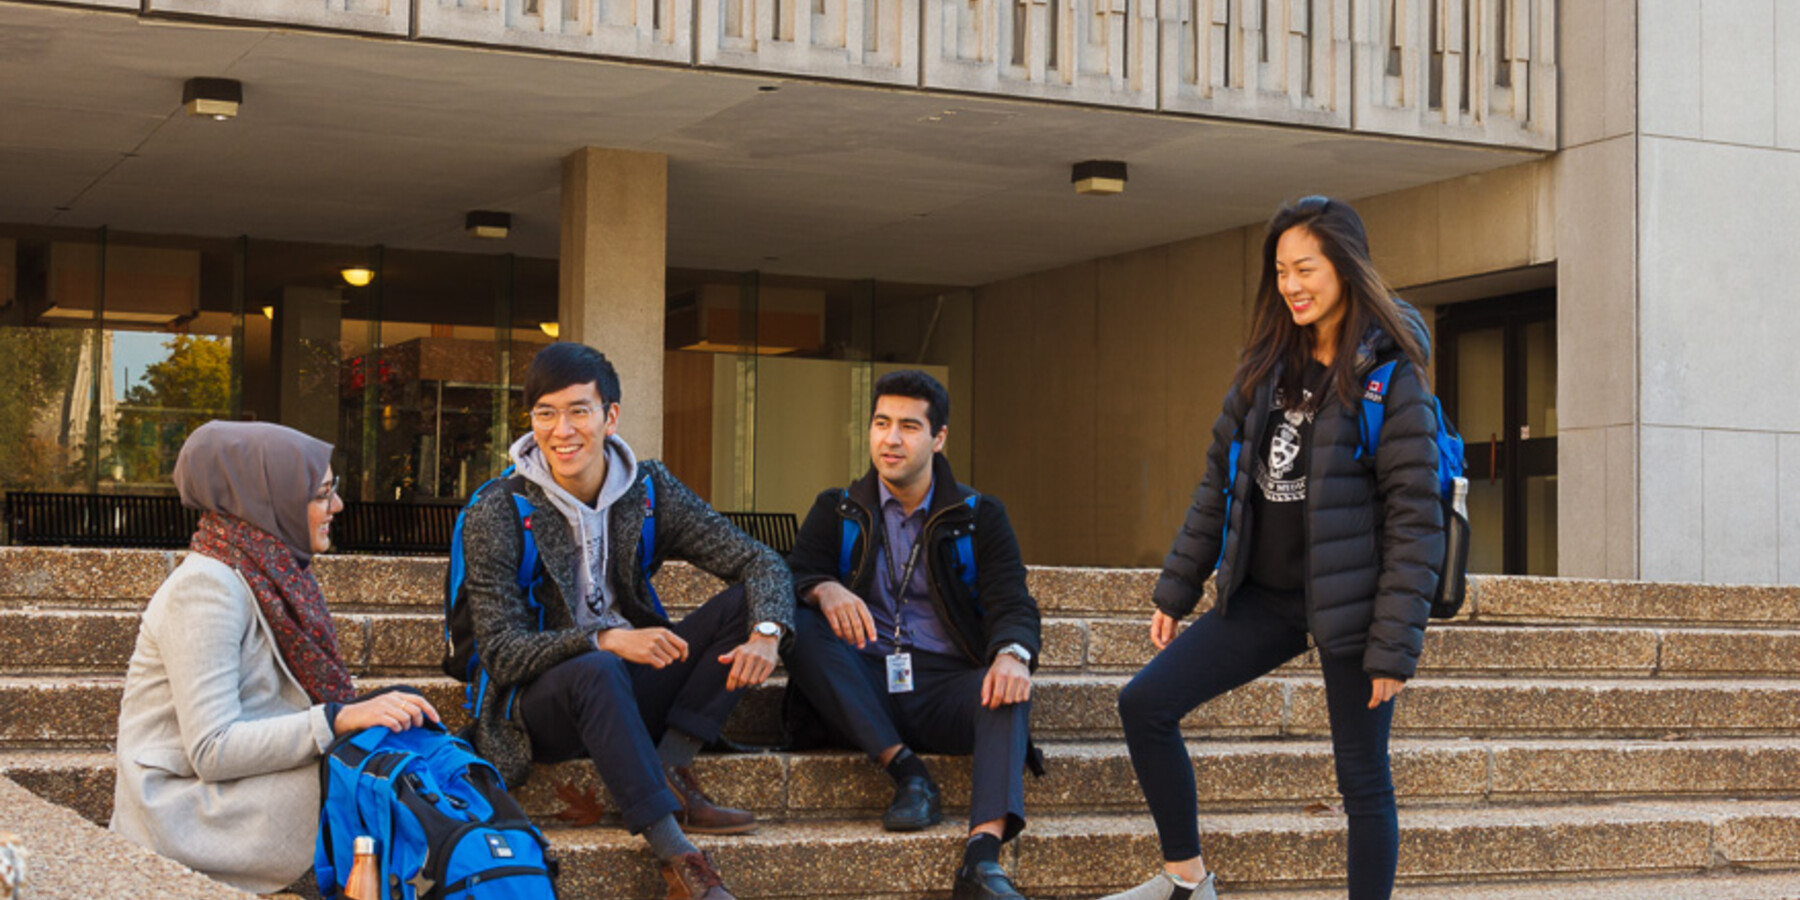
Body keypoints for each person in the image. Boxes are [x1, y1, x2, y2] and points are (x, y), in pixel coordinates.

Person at [1103, 196, 1444, 900]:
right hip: (1263, 596)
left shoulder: (1390, 380)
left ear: (1345, 268)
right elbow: (1217, 484)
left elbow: (1415, 520)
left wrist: (1394, 644)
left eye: (1306, 268)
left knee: (1362, 778)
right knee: (1145, 704)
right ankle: (1186, 879)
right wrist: (1179, 585)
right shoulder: (1265, 369)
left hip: (1351, 602)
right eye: (1282, 270)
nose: (1291, 284)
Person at [458, 342, 793, 900]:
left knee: (746, 607)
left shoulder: (649, 489)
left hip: (626, 683)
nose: (561, 430)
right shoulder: (498, 509)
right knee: (598, 668)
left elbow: (760, 560)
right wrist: (607, 639)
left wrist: (767, 634)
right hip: (541, 701)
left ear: (610, 416)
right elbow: (501, 651)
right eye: (545, 413)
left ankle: (669, 766)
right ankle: (679, 859)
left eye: (578, 411)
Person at [110, 420, 441, 893]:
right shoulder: (207, 588)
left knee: (396, 741)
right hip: (186, 809)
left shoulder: (269, 571)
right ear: (270, 498)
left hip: (244, 786)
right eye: (323, 492)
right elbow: (212, 749)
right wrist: (338, 719)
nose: (338, 506)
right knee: (381, 784)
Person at [782, 369, 1041, 900]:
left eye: (908, 426)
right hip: (862, 684)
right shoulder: (837, 510)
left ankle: (982, 861)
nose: (891, 439)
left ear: (938, 437)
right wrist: (823, 589)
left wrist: (1013, 654)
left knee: (1008, 688)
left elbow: (1012, 601)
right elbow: (791, 575)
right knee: (803, 628)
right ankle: (908, 773)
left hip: (943, 684)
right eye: (881, 423)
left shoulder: (979, 516)